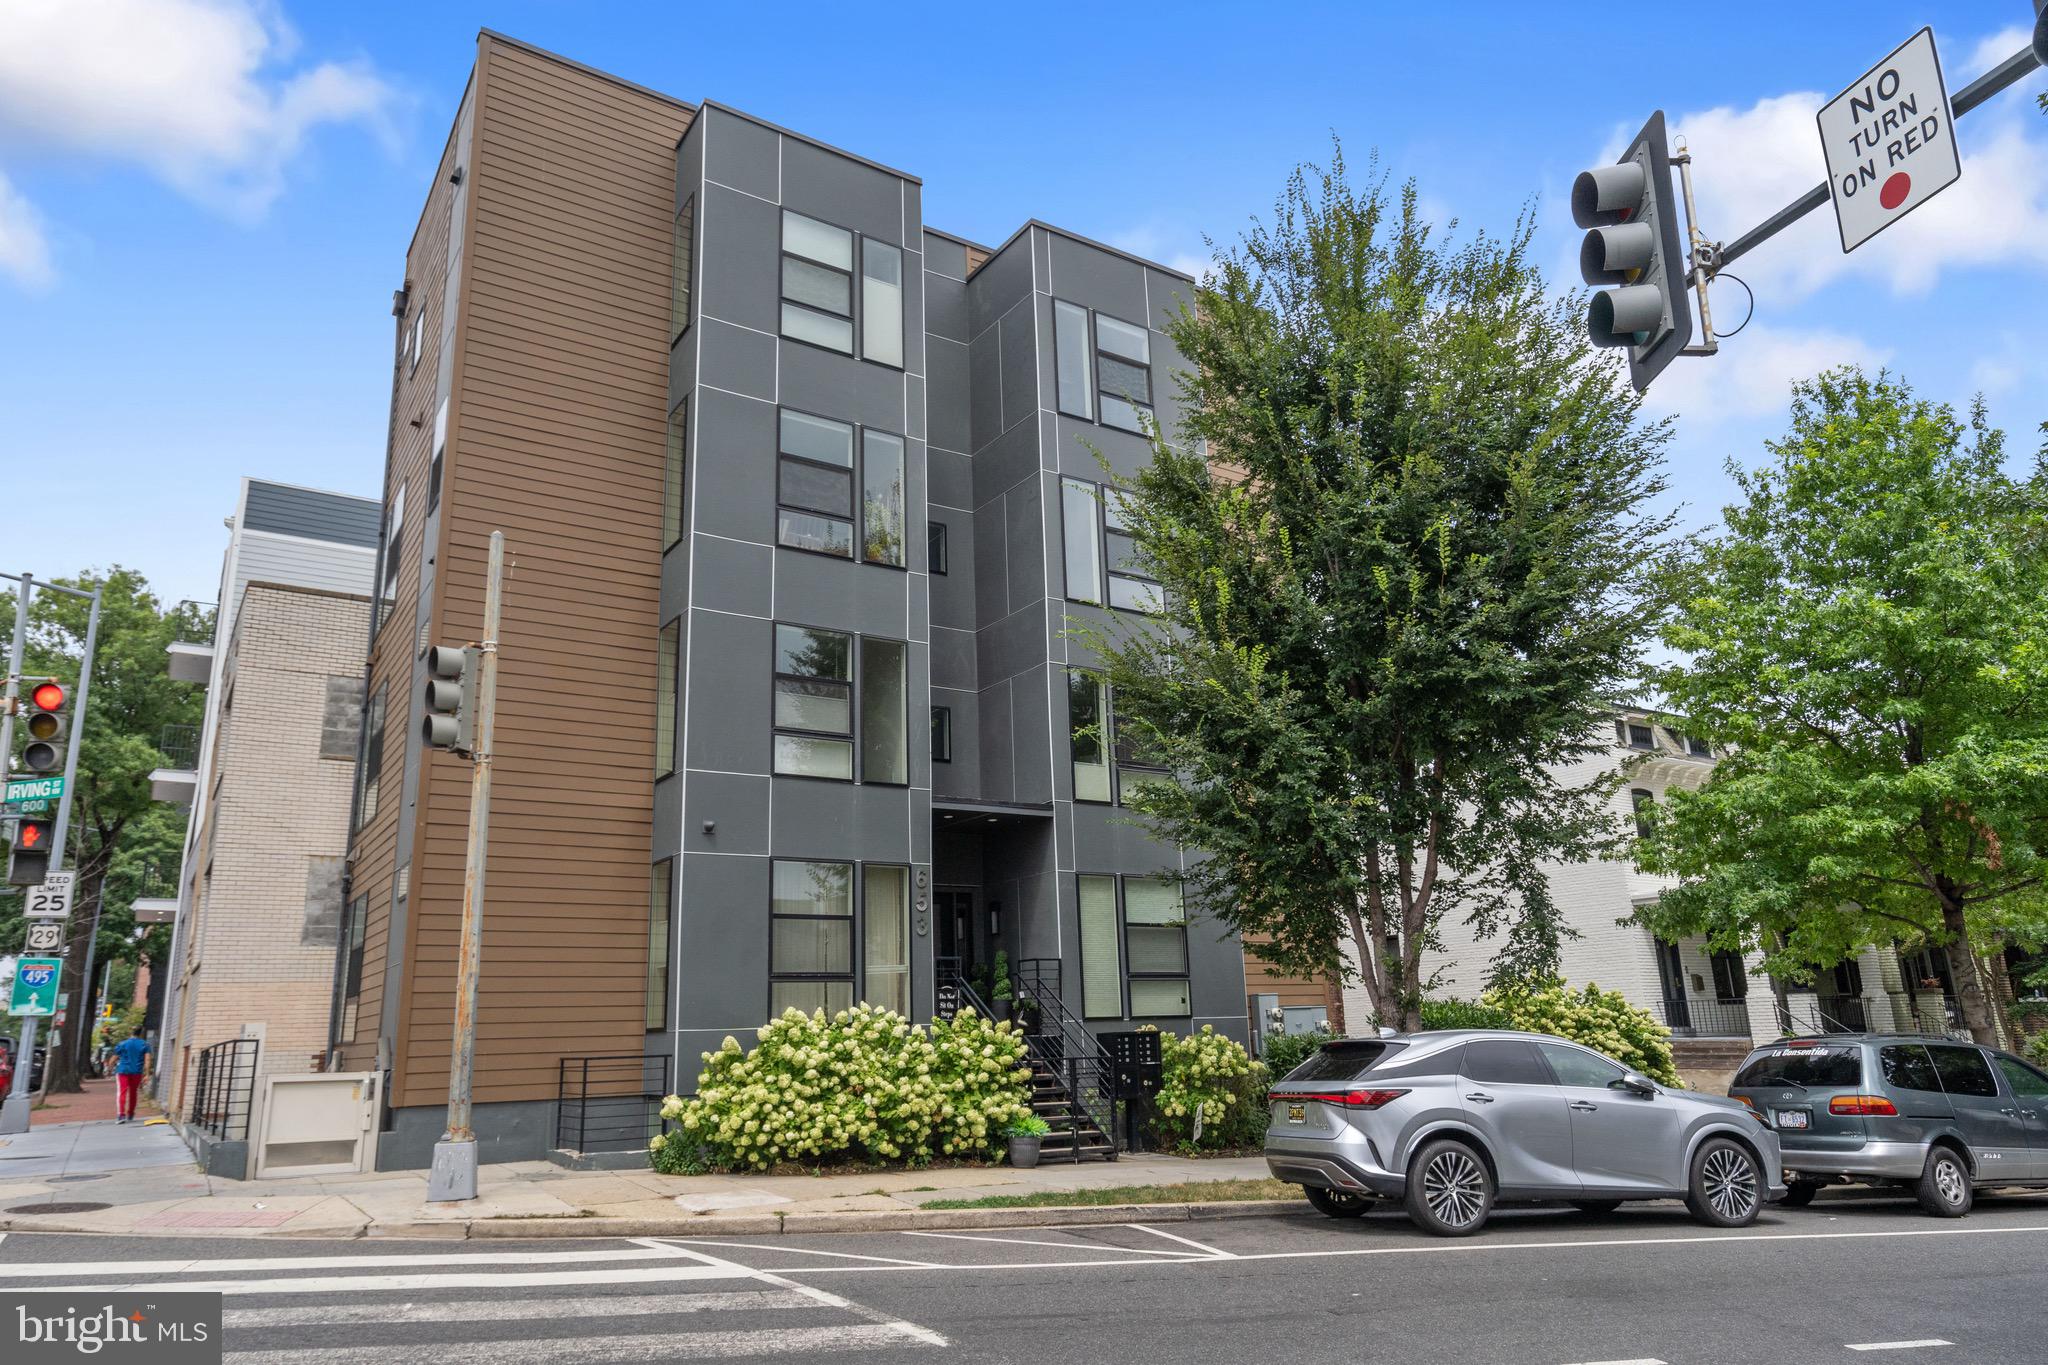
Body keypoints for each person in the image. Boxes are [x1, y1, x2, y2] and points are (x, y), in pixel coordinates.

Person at [110, 1030, 152, 1124]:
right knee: (133, 1093)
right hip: (137, 1071)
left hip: (123, 1071)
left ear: (130, 1033)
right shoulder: (145, 1044)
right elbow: (148, 1059)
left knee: (122, 1092)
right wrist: (147, 1074)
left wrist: (110, 1067)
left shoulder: (122, 1044)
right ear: (140, 1034)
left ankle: (121, 1115)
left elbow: (114, 1058)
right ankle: (131, 1114)